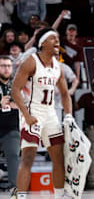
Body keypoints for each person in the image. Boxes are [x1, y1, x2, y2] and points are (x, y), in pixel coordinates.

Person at [11, 27, 73, 199]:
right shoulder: (31, 62)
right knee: (28, 157)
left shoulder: (58, 67)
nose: (57, 41)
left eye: (58, 38)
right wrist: (26, 114)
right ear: (43, 42)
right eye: (53, 38)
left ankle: (60, 195)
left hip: (51, 113)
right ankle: (21, 196)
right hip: (32, 111)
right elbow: (15, 90)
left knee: (59, 157)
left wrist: (68, 116)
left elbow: (66, 95)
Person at [0, 55, 20, 197]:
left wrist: (15, 104)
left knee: (13, 154)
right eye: (2, 66)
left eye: (8, 66)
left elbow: (22, 104)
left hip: (11, 129)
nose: (6, 69)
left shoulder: (17, 85)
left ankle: (15, 188)